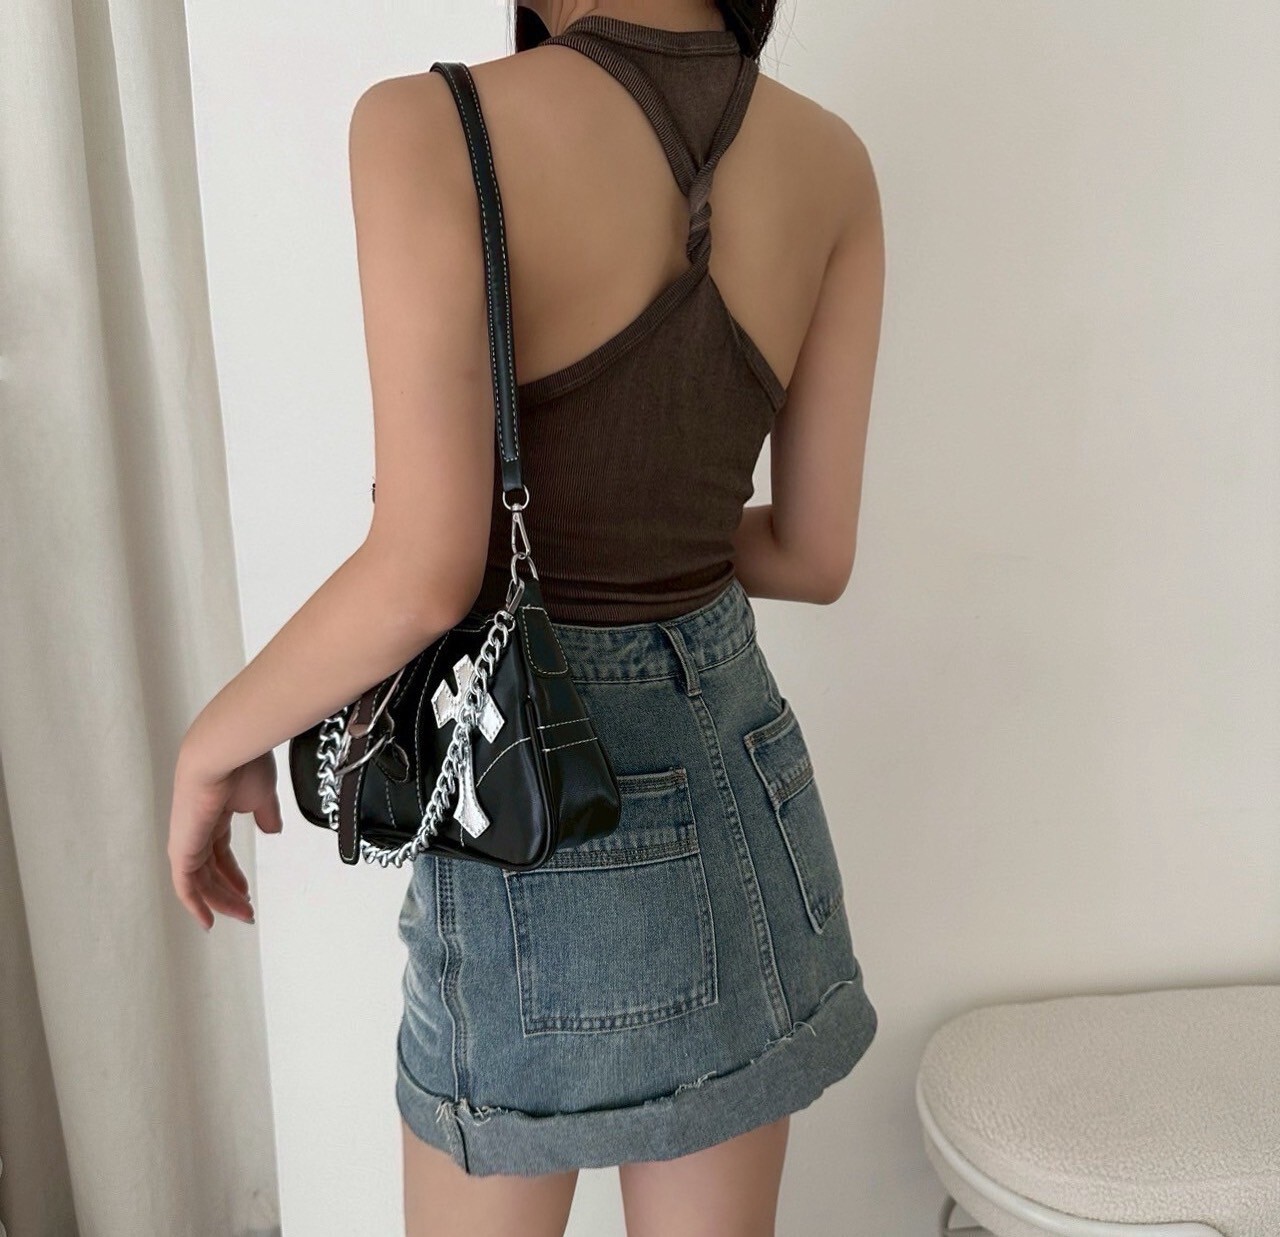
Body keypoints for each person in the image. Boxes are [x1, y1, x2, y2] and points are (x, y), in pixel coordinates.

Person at [167, 0, 883, 1232]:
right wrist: (651, 519)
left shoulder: (432, 127)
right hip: (749, 795)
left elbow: (424, 572)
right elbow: (811, 555)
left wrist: (210, 742)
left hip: (540, 805)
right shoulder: (831, 160)